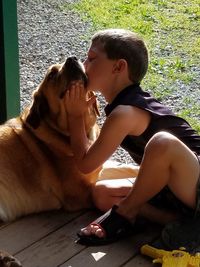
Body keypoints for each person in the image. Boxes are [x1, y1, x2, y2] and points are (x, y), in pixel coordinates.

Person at [64, 29, 200, 246]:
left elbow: (85, 164)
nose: (84, 64)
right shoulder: (121, 107)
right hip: (179, 193)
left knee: (162, 142)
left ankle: (126, 213)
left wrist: (75, 115)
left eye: (91, 59)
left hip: (195, 183)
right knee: (102, 194)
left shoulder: (125, 112)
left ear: (118, 67)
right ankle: (181, 222)